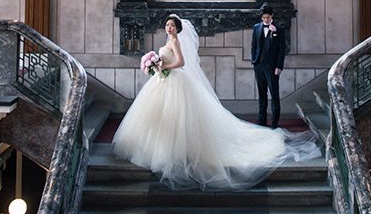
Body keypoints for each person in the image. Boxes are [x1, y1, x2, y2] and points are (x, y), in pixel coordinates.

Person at [112, 14, 319, 189]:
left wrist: (163, 67)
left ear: (178, 29)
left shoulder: (175, 42)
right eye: (167, 25)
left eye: (172, 26)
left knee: (179, 116)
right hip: (163, 79)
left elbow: (181, 62)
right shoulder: (168, 41)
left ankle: (178, 152)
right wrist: (155, 65)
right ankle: (159, 150)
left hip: (173, 78)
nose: (169, 28)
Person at [250, 4, 288, 128]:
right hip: (259, 65)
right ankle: (261, 119)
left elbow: (282, 50)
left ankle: (275, 121)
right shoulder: (256, 27)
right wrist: (254, 61)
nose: (265, 20)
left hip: (272, 67)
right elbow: (254, 45)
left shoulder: (279, 29)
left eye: (267, 17)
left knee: (274, 94)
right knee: (262, 94)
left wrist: (279, 66)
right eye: (263, 18)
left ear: (272, 16)